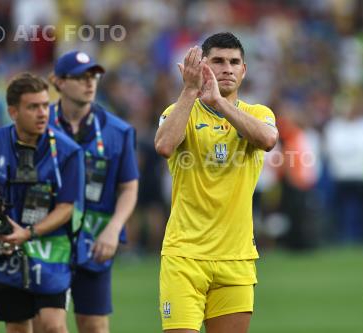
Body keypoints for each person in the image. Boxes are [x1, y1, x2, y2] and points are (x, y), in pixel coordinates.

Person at [155, 32, 278, 333]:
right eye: (218, 61)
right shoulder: (178, 112)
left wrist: (220, 104)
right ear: (203, 67)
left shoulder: (257, 114)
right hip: (185, 256)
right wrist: (189, 91)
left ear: (244, 70)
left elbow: (268, 139)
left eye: (234, 62)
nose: (227, 68)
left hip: (236, 258)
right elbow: (164, 146)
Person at [0, 72, 84, 333]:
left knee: (54, 326)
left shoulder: (68, 151)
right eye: (33, 107)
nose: (42, 113)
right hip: (6, 248)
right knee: (17, 327)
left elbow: (68, 207)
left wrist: (29, 233)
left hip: (50, 247)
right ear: (13, 111)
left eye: (45, 105)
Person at [49, 51, 139, 333]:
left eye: (93, 77)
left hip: (94, 241)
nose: (89, 83)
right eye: (80, 77)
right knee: (49, 326)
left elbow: (129, 186)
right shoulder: (39, 125)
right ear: (58, 82)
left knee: (95, 326)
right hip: (48, 240)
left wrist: (114, 228)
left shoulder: (118, 130)